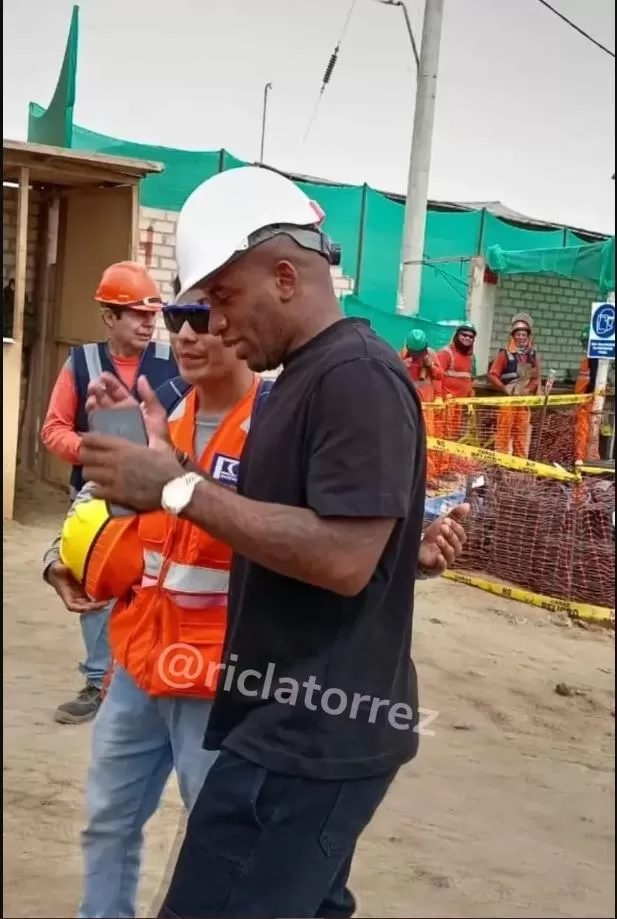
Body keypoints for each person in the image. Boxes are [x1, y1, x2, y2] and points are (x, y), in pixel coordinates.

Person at [78, 165, 470, 919]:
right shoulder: (302, 380)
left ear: (285, 277)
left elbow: (341, 558)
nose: (212, 325)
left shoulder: (354, 376)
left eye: (223, 299)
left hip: (309, 737)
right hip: (286, 719)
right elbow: (314, 534)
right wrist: (169, 468)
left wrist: (175, 487)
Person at [42, 298, 272, 918]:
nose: (188, 334)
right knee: (107, 824)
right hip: (137, 665)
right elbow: (99, 502)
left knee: (215, 842)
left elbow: (312, 534)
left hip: (216, 681)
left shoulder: (277, 424)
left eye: (204, 316)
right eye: (177, 319)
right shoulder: (160, 410)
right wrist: (55, 560)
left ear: (237, 322)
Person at [40, 260, 178, 725]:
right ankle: (98, 681)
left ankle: (141, 679)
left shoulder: (171, 366)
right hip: (97, 503)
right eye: (136, 314)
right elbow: (54, 430)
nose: (147, 322)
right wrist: (98, 451)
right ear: (109, 317)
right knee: (94, 583)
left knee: (152, 588)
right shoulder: (81, 363)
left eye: (151, 313)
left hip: (157, 504)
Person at [488, 313, 541, 457]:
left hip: (523, 402)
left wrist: (527, 390)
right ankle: (501, 461)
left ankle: (519, 463)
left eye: (524, 335)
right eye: (518, 334)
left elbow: (536, 379)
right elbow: (492, 375)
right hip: (508, 401)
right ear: (513, 336)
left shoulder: (532, 356)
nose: (521, 337)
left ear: (528, 337)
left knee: (521, 433)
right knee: (504, 432)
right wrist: (504, 388)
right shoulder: (505, 355)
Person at [401, 328, 444, 481]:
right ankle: (408, 473)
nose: (418, 356)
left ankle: (428, 475)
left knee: (429, 438)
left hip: (427, 404)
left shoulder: (431, 354)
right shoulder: (401, 356)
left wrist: (431, 366)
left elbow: (439, 375)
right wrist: (402, 366)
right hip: (408, 404)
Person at [436, 320, 476, 443]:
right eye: (464, 335)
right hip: (446, 406)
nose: (467, 338)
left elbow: (469, 381)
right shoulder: (445, 353)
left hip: (460, 406)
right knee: (442, 437)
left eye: (471, 336)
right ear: (457, 335)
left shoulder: (471, 357)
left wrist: (470, 402)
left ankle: (448, 462)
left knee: (454, 437)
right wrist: (439, 397)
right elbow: (436, 377)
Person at [574, 324, 599, 464]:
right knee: (583, 432)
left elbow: (593, 380)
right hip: (582, 401)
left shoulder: (594, 359)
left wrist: (586, 397)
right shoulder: (589, 358)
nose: (585, 347)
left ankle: (582, 459)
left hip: (586, 403)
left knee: (583, 433)